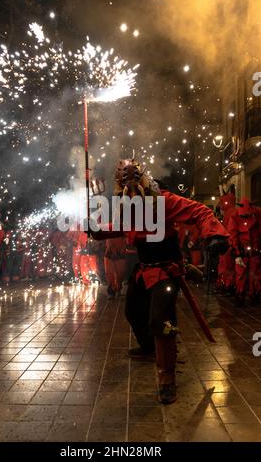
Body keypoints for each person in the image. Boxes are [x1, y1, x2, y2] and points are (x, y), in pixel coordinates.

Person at [91, 159, 229, 404]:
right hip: (144, 271)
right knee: (133, 311)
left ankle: (167, 380)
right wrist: (94, 229)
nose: (130, 190)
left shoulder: (165, 201)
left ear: (143, 181)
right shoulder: (127, 207)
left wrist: (215, 235)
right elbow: (120, 227)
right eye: (125, 185)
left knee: (162, 321)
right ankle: (148, 347)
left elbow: (200, 211)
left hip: (166, 271)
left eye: (134, 183)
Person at [227, 197, 261, 306]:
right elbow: (233, 235)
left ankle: (254, 295)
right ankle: (240, 295)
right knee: (240, 274)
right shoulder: (235, 216)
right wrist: (237, 253)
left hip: (254, 250)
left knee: (255, 273)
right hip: (241, 250)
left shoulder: (257, 214)